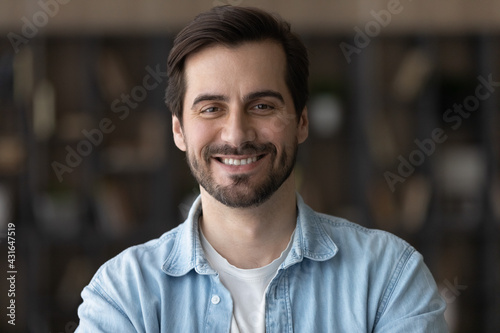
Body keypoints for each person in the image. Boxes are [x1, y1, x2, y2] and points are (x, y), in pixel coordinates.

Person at [76, 5, 448, 332]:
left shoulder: (388, 277)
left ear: (302, 121)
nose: (237, 134)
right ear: (179, 130)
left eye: (263, 106)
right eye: (211, 109)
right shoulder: (124, 293)